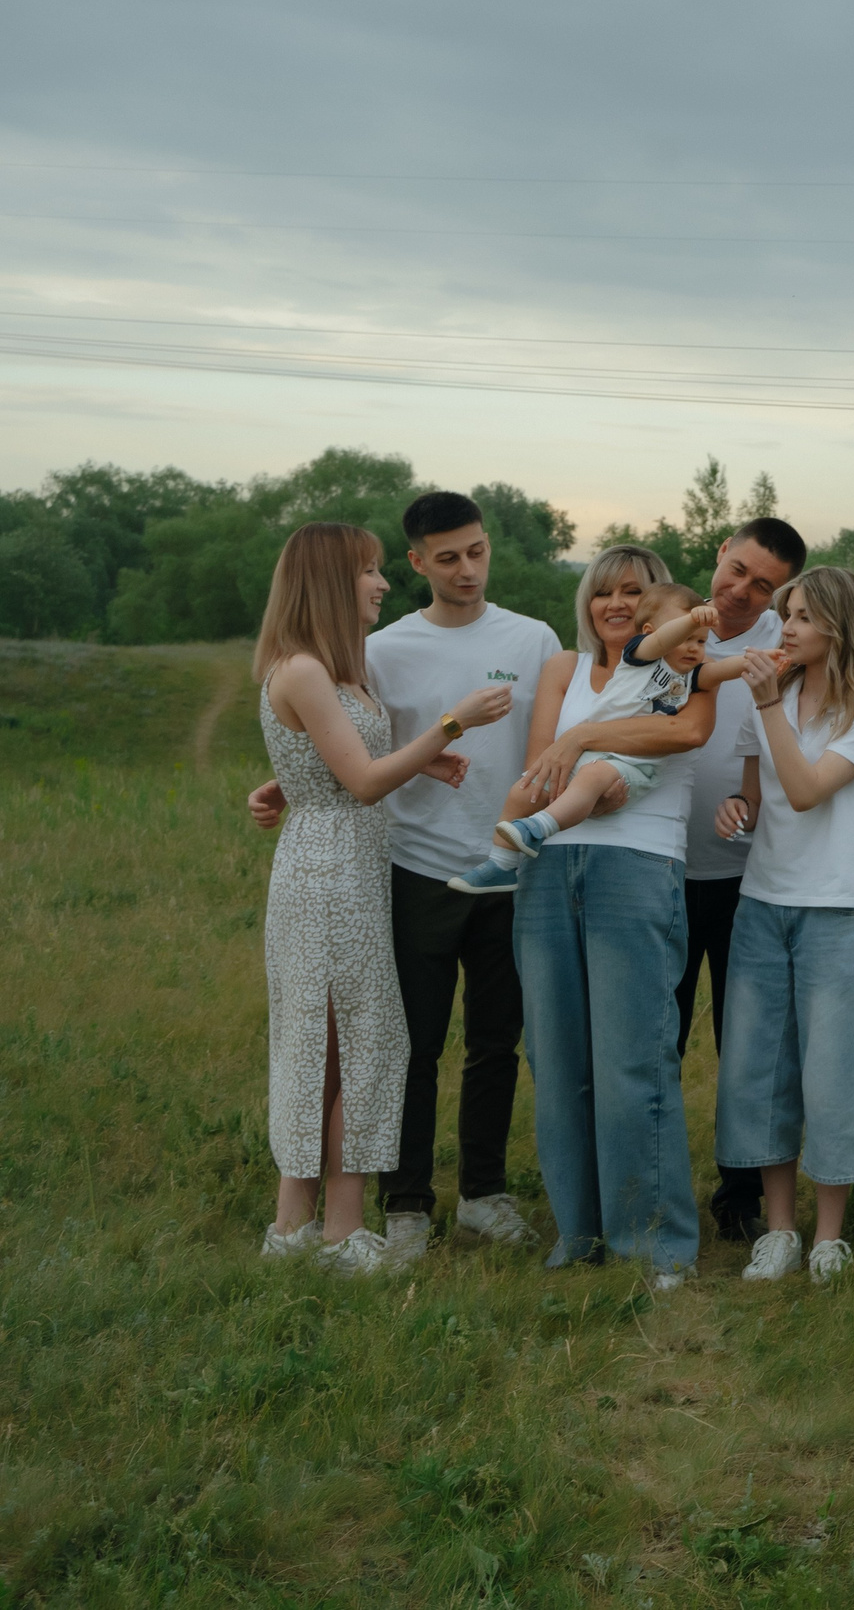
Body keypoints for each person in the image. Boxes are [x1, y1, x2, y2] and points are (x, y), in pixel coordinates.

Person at [247, 490, 561, 1266]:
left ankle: (479, 1195)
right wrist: (446, 727)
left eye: (477, 551)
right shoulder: (377, 650)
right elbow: (349, 759)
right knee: (394, 1044)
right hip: (402, 866)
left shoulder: (533, 638)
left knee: (491, 1041)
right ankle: (400, 1205)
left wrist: (295, 784)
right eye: (443, 557)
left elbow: (347, 748)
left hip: (507, 869)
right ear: (420, 561)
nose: (466, 568)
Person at [512, 543, 720, 1287]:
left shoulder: (682, 666)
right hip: (547, 867)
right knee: (559, 1057)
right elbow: (541, 768)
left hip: (636, 865)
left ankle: (654, 1242)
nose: (616, 604)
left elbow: (684, 733)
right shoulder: (562, 672)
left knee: (633, 1059)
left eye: (633, 591)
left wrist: (585, 737)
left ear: (658, 600)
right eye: (603, 591)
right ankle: (580, 1232)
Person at [710, 566, 854, 1286]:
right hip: (761, 902)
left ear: (840, 627)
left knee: (835, 1073)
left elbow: (809, 789)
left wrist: (765, 708)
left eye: (803, 617)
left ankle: (828, 1237)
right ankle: (779, 1231)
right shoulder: (774, 697)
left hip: (835, 909)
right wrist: (737, 809)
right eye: (786, 613)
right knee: (761, 1073)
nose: (785, 628)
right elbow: (763, 798)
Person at [674, 518, 805, 1244]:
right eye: (740, 570)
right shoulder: (673, 625)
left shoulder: (785, 648)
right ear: (721, 549)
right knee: (656, 1038)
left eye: (764, 586)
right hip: (659, 869)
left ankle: (741, 1192)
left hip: (747, 878)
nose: (743, 591)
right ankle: (655, 1181)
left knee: (746, 1042)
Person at [446, 586, 747, 892]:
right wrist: (693, 620)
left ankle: (539, 826)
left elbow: (720, 670)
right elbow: (662, 640)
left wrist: (752, 661)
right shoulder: (640, 656)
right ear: (649, 631)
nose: (694, 648)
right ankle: (500, 863)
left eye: (701, 640)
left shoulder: (690, 677)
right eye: (685, 637)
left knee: (592, 778)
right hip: (591, 751)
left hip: (634, 763)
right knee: (523, 790)